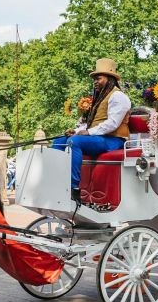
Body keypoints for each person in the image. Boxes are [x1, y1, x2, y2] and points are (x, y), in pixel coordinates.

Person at [52, 58, 131, 203]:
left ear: (110, 78)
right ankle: (58, 183)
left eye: (98, 78)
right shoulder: (100, 98)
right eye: (94, 79)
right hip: (100, 137)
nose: (95, 81)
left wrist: (87, 133)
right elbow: (92, 123)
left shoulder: (118, 96)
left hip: (114, 140)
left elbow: (112, 124)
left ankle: (73, 188)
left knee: (73, 142)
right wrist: (76, 130)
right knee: (58, 142)